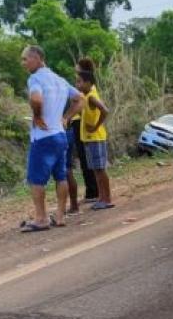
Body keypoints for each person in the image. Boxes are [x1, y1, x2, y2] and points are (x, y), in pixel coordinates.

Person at [19, 45, 84, 232]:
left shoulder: (35, 79)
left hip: (43, 137)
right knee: (60, 176)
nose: (23, 63)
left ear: (37, 58)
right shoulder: (59, 79)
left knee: (36, 179)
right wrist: (66, 118)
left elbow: (36, 100)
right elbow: (80, 99)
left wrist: (37, 116)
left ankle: (41, 218)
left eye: (25, 59)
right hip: (60, 135)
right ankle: (61, 216)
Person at [76, 70, 113, 210]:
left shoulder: (91, 97)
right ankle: (102, 197)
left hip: (95, 138)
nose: (77, 84)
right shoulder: (86, 96)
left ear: (88, 83)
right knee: (96, 170)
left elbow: (105, 110)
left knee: (100, 169)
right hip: (90, 139)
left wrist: (96, 126)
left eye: (79, 81)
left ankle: (107, 199)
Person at [66, 57, 99, 206]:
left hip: (81, 123)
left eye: (77, 67)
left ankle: (92, 192)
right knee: (85, 158)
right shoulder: (88, 85)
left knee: (86, 158)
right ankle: (92, 191)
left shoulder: (86, 88)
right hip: (80, 122)